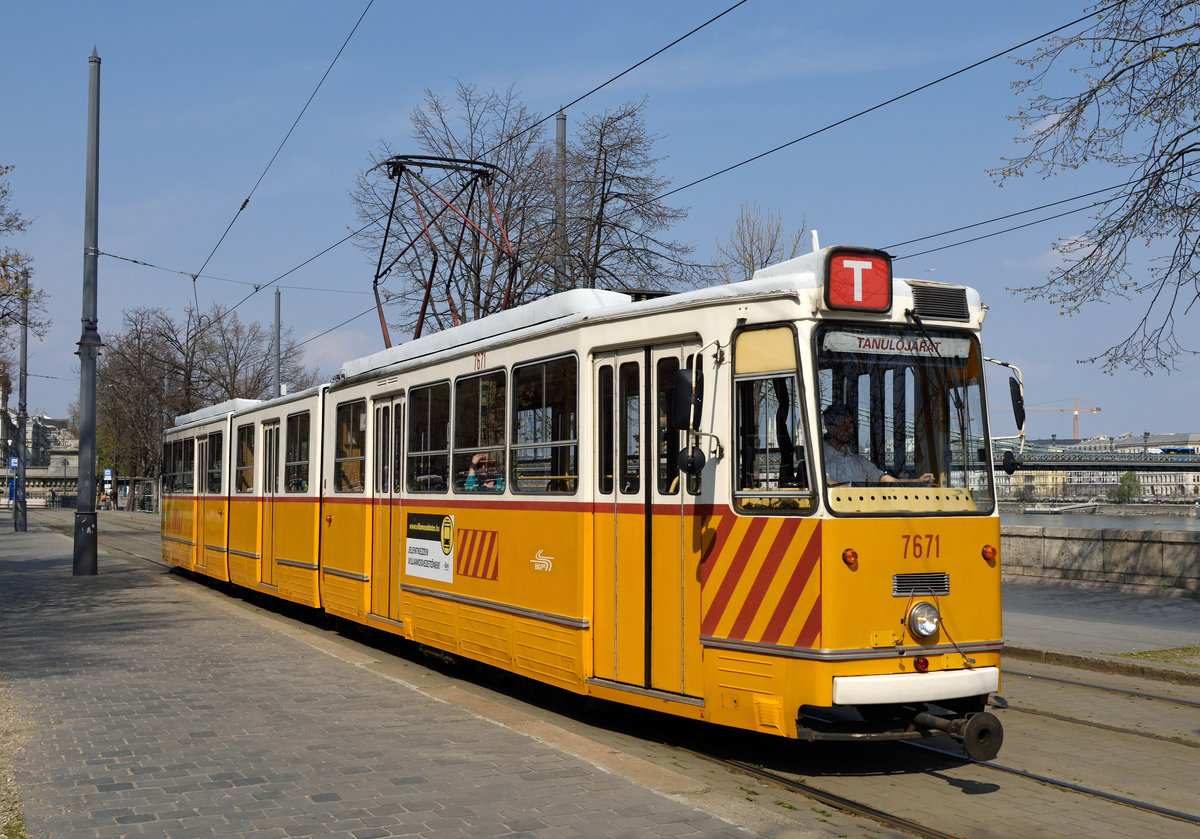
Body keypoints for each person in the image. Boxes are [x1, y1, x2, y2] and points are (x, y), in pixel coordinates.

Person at [822, 403, 934, 486]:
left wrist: (918, 481)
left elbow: (883, 479)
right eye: (843, 423)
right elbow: (822, 482)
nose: (849, 428)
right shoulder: (818, 458)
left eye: (851, 423)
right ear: (828, 426)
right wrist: (839, 488)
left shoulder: (859, 461)